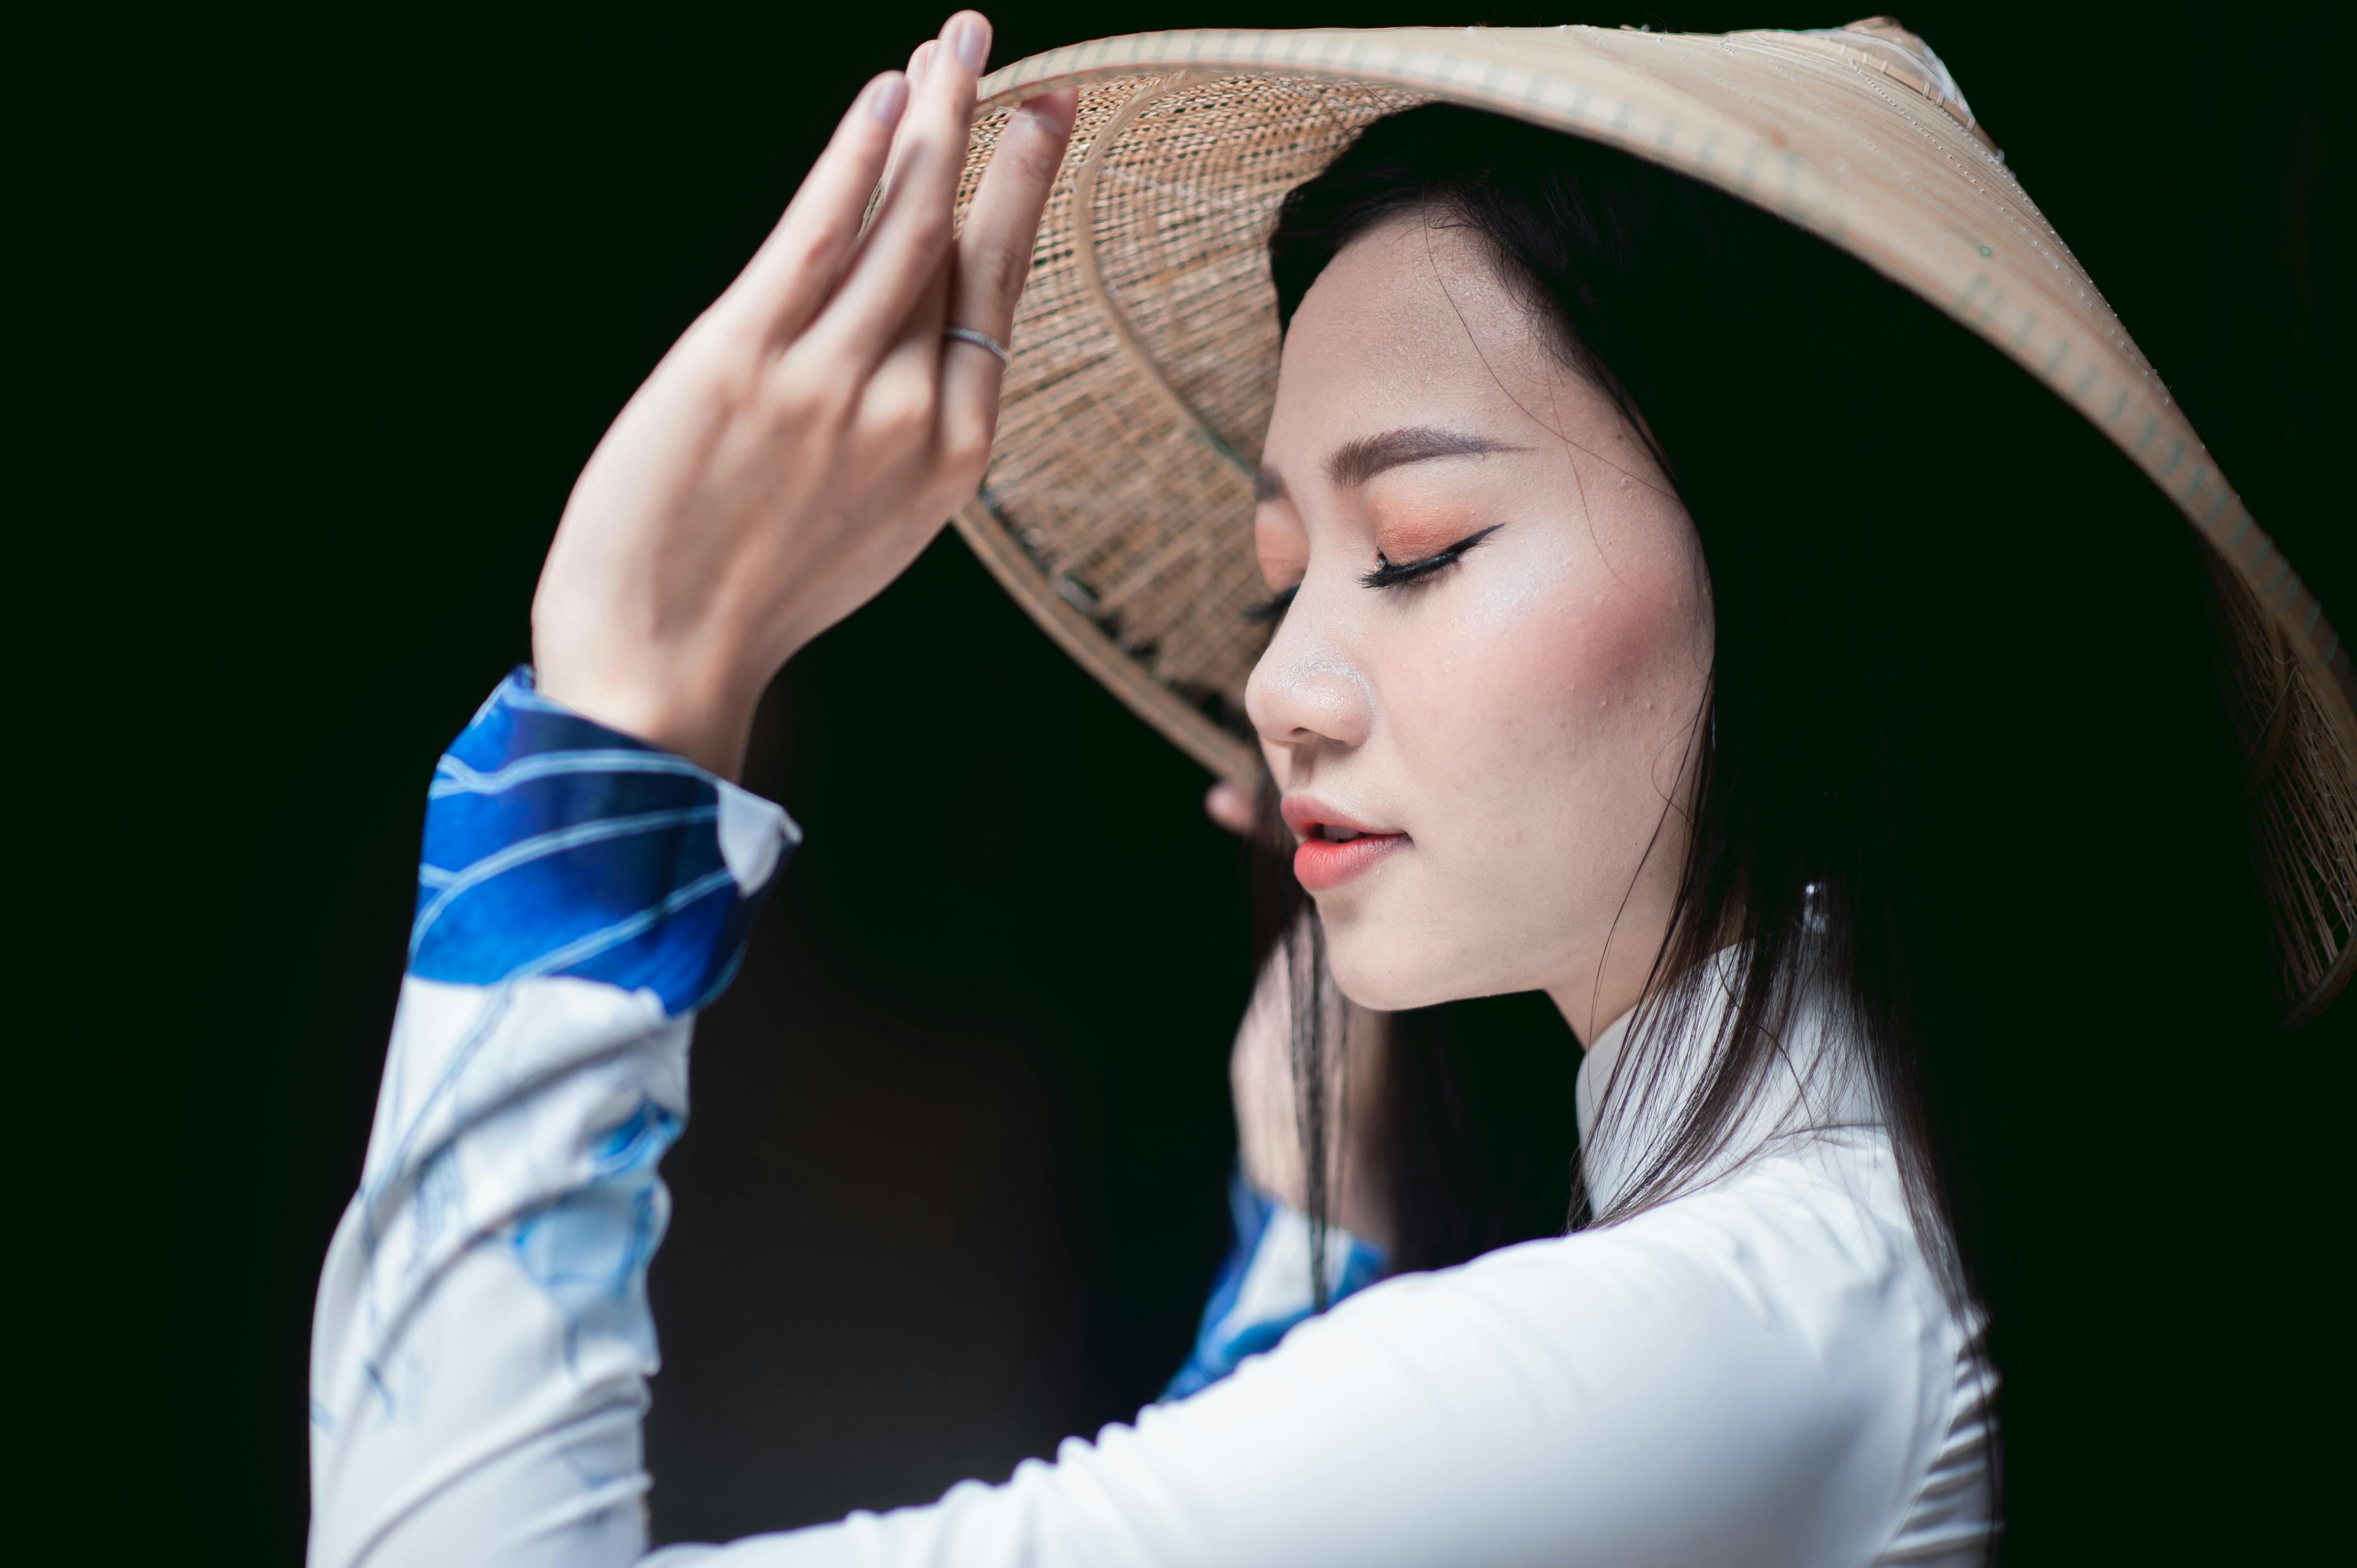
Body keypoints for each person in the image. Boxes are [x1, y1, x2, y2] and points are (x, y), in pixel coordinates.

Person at [307, 14, 2345, 1567]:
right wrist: (1314, 1221)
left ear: (1820, 589)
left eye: (1426, 545)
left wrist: (626, 714)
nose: (1279, 688)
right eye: (1286, 580)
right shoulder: (1807, 1288)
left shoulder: (1745, 1331)